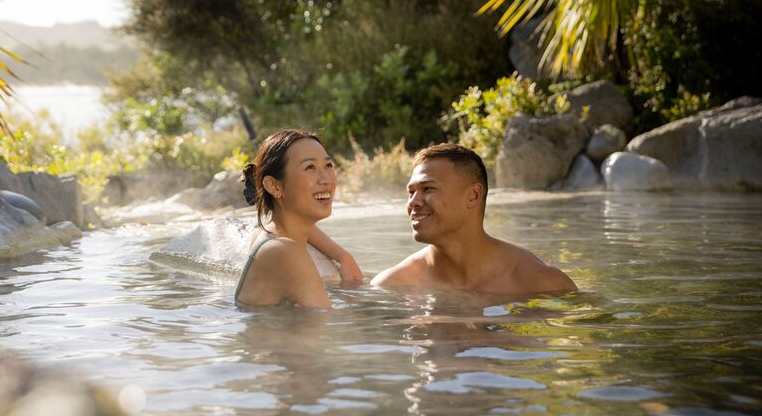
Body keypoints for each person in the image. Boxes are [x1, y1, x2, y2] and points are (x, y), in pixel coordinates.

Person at [371, 143, 577, 295]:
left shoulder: (540, 282)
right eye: (411, 192)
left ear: (473, 196)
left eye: (427, 189)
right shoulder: (394, 286)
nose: (413, 202)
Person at [235, 129, 362, 308]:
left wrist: (343, 256)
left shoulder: (271, 232)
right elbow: (328, 326)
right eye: (310, 167)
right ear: (274, 186)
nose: (326, 179)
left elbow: (305, 229)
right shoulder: (286, 251)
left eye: (328, 166)